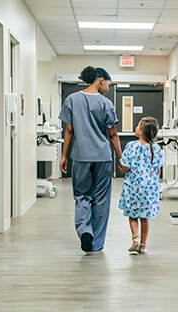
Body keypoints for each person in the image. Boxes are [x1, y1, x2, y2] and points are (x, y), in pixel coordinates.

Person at [58, 66, 125, 252]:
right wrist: (121, 158)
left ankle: (84, 231)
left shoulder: (71, 99)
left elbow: (69, 130)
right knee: (101, 199)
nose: (108, 89)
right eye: (109, 84)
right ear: (101, 79)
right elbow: (113, 135)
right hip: (103, 158)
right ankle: (96, 243)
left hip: (80, 157)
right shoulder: (106, 104)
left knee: (81, 196)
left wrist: (64, 155)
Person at [118, 117, 164, 254]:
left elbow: (125, 167)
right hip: (149, 188)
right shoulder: (156, 148)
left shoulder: (131, 146)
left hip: (133, 186)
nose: (136, 127)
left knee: (132, 214)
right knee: (145, 217)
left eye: (138, 126)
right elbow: (158, 171)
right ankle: (143, 246)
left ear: (142, 131)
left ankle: (135, 238)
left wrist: (122, 169)